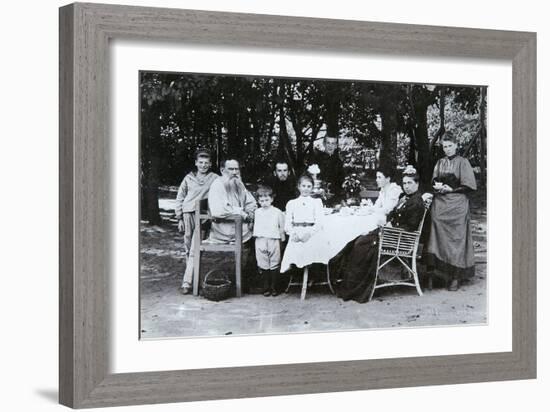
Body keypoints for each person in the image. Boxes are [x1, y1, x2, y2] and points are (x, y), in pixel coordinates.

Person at [329, 170, 426, 303]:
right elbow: (393, 214)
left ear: (417, 184)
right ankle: (347, 283)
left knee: (361, 245)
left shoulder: (417, 202)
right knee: (357, 240)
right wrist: (388, 221)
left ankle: (355, 288)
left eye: (410, 183)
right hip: (391, 233)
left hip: (398, 239)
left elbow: (411, 227)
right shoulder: (405, 197)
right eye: (404, 183)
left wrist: (390, 227)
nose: (406, 186)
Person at [179, 158, 257, 294]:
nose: (234, 172)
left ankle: (248, 281)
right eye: (230, 169)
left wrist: (250, 211)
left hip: (238, 227)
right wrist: (242, 213)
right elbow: (218, 211)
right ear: (222, 170)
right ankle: (243, 283)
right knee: (255, 239)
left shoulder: (238, 183)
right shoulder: (218, 185)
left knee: (262, 236)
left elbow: (250, 201)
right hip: (224, 230)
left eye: (236, 169)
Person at [425, 135, 477, 291]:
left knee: (456, 237)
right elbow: (434, 181)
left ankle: (455, 276)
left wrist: (452, 189)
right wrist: (438, 186)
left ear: (456, 145)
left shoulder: (463, 162)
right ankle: (437, 272)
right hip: (441, 202)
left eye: (449, 146)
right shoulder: (440, 163)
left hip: (457, 203)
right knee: (435, 224)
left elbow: (469, 186)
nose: (447, 149)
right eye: (444, 147)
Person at [174, 149, 218, 258]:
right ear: (196, 163)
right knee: (188, 237)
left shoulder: (215, 178)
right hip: (188, 212)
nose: (203, 165)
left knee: (199, 240)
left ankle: (195, 264)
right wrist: (179, 218)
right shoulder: (188, 178)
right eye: (201, 162)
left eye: (206, 163)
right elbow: (180, 197)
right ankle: (189, 263)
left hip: (203, 214)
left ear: (210, 164)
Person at [280, 174, 324, 273]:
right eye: (303, 186)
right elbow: (287, 223)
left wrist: (309, 234)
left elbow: (319, 222)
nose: (306, 189)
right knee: (295, 249)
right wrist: (292, 233)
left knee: (313, 249)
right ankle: (298, 274)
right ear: (299, 186)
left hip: (311, 233)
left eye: (309, 186)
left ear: (312, 188)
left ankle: (312, 276)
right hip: (296, 232)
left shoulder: (316, 202)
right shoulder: (292, 203)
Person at [253, 186, 286, 296]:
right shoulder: (257, 212)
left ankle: (274, 287)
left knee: (274, 262)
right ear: (258, 201)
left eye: (267, 200)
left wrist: (282, 239)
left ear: (272, 199)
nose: (264, 203)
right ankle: (265, 287)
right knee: (263, 263)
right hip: (260, 239)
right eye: (261, 201)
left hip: (273, 239)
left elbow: (282, 227)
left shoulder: (277, 212)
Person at [305, 135, 345, 205]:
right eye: (328, 143)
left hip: (334, 196)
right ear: (324, 144)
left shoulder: (339, 162)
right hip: (318, 195)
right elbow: (310, 178)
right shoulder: (316, 159)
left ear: (336, 146)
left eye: (333, 143)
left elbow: (341, 180)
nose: (330, 146)